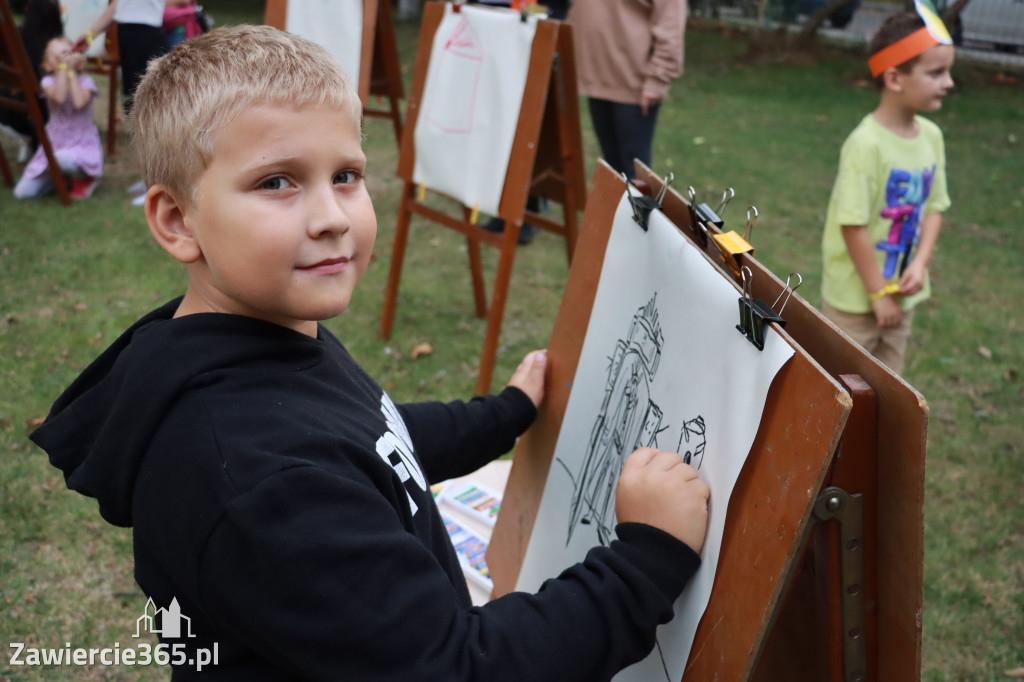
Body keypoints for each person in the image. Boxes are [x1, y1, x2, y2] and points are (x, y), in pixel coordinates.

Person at [31, 25, 710, 681]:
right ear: (178, 221)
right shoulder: (257, 480)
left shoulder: (257, 338)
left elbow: (369, 434)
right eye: (277, 182)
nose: (331, 216)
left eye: (347, 175)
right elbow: (460, 669)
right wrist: (648, 557)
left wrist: (504, 413)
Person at [820, 10, 954, 375]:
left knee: (889, 392)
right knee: (843, 390)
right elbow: (852, 225)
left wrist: (920, 264)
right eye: (936, 73)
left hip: (902, 296)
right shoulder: (865, 145)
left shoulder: (932, 137)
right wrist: (878, 294)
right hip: (854, 302)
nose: (949, 83)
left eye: (948, 71)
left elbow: (935, 207)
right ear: (894, 77)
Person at [569, 0, 687, 179]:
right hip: (598, 75)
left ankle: (641, 209)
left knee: (635, 173)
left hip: (634, 83)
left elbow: (670, 21)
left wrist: (658, 79)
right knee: (612, 168)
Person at [14, 37, 103, 200]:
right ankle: (62, 179)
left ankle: (85, 178)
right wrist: (64, 67)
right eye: (58, 57)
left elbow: (78, 103)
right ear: (48, 66)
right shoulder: (48, 81)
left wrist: (70, 72)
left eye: (67, 53)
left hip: (81, 144)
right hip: (55, 143)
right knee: (22, 193)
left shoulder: (86, 81)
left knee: (61, 159)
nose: (65, 58)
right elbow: (59, 98)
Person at [72, 0, 193, 114]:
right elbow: (119, 5)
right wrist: (89, 34)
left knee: (152, 100)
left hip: (146, 34)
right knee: (132, 101)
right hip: (127, 35)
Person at [0, 0, 63, 162]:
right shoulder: (58, 48)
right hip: (51, 117)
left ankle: (26, 141)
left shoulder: (15, 39)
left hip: (14, 110)